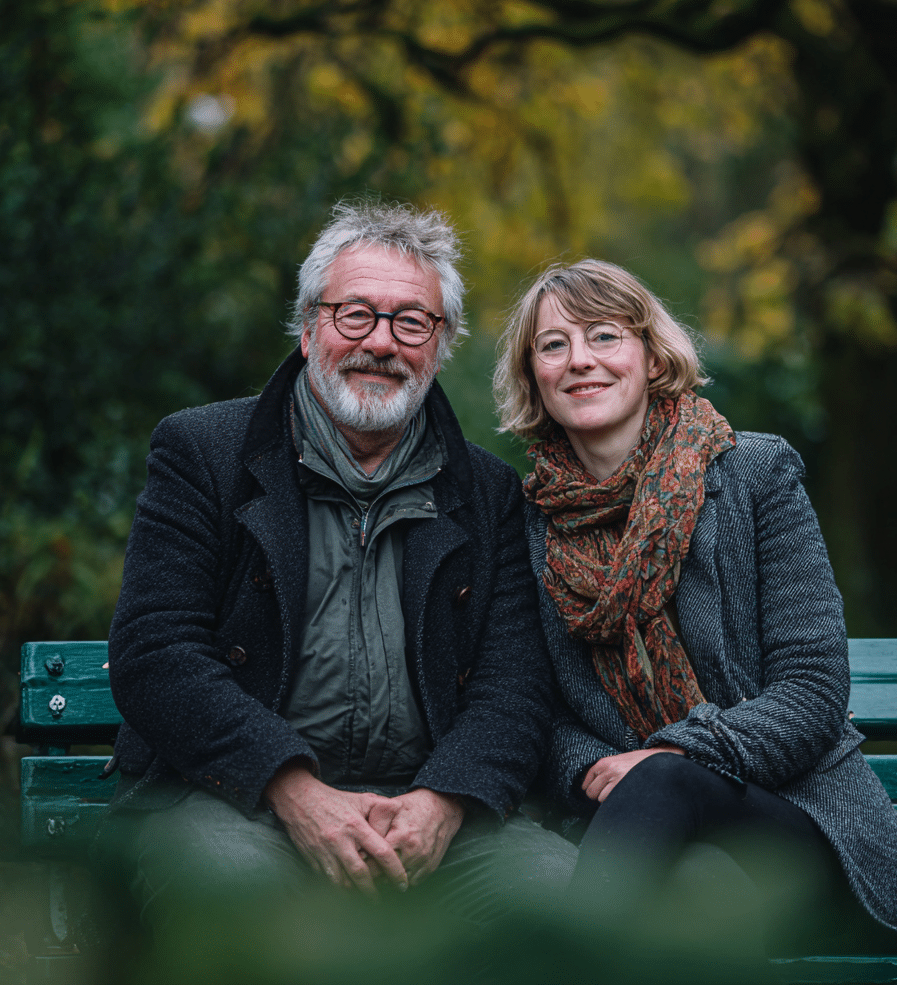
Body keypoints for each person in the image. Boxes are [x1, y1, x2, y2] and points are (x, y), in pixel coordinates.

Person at [102, 199, 575, 924]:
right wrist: (292, 787)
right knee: (231, 893)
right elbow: (155, 653)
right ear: (308, 328)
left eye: (411, 321)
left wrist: (444, 802)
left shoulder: (486, 490)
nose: (380, 342)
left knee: (561, 896)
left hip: (429, 814)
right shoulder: (203, 453)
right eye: (355, 314)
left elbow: (516, 682)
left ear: (441, 344)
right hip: (236, 801)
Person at [493, 258, 897, 955]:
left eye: (604, 336)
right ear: (534, 378)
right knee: (679, 866)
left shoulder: (755, 476)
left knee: (670, 787)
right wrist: (590, 769)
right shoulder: (527, 523)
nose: (579, 360)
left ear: (652, 357)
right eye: (553, 345)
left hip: (799, 829)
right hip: (632, 832)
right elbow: (540, 710)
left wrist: (670, 757)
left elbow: (811, 692)